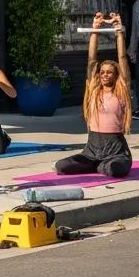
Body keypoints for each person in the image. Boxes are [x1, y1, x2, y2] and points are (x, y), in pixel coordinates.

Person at [55, 11, 132, 178]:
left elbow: (122, 57)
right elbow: (91, 60)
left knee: (114, 169)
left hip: (116, 150)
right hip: (92, 150)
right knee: (61, 166)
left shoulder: (121, 91)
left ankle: (102, 165)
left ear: (116, 75)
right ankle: (97, 165)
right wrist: (95, 30)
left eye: (109, 72)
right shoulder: (94, 91)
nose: (104, 75)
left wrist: (118, 30)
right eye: (102, 72)